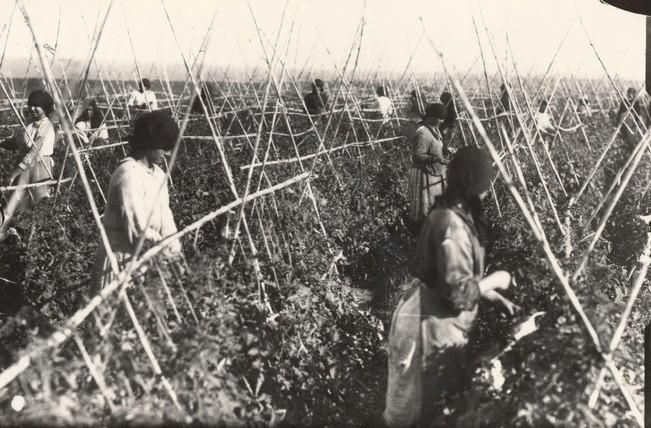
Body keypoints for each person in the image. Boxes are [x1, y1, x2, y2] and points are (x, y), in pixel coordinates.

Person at [384, 146, 520, 428]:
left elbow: (447, 276)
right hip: (428, 324)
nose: (485, 192)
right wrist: (498, 280)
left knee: (422, 403)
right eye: (484, 184)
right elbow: (456, 292)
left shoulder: (449, 212)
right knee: (419, 409)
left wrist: (493, 297)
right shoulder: (453, 227)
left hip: (429, 311)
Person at [90, 110, 182, 294]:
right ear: (149, 144)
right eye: (163, 147)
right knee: (120, 316)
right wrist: (164, 252)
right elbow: (137, 229)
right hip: (121, 262)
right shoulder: (128, 174)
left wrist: (176, 252)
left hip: (148, 259)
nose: (168, 152)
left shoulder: (158, 175)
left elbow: (166, 220)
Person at [0, 89, 56, 227]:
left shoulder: (46, 127)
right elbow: (18, 142)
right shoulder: (29, 123)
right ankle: (14, 232)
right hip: (23, 166)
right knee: (15, 201)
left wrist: (15, 173)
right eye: (30, 105)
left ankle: (36, 235)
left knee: (38, 203)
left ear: (45, 108)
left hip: (39, 167)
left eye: (37, 106)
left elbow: (33, 153)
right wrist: (2, 143)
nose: (32, 108)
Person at [407, 103, 448, 233]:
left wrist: (445, 150)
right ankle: (417, 236)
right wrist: (435, 159)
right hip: (423, 174)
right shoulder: (423, 132)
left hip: (432, 173)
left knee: (431, 207)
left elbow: (435, 146)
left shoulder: (434, 129)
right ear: (432, 117)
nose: (442, 122)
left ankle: (428, 233)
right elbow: (417, 156)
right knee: (422, 209)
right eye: (440, 118)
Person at [439, 91, 459, 155]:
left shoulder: (452, 108)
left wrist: (446, 127)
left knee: (446, 140)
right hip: (447, 126)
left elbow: (452, 120)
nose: (442, 103)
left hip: (449, 126)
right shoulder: (449, 107)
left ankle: (445, 151)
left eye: (443, 101)